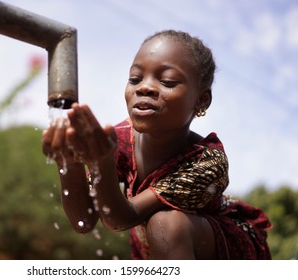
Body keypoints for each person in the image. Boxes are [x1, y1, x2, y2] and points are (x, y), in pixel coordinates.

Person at [42, 30, 272, 259]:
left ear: (201, 100)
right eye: (135, 79)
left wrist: (101, 161)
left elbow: (121, 219)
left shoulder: (207, 161)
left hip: (225, 251)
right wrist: (69, 162)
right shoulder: (120, 139)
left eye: (167, 81)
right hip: (157, 249)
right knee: (160, 229)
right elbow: (84, 220)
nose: (145, 87)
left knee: (165, 224)